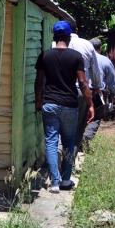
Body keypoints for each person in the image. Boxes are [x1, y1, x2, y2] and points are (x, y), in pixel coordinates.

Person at [35, 21, 94, 193]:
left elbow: (39, 82)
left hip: (49, 104)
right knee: (69, 142)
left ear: (54, 37)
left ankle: (54, 182)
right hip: (69, 105)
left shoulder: (45, 56)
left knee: (51, 142)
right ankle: (66, 179)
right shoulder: (76, 57)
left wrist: (38, 101)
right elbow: (83, 82)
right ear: (68, 38)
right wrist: (90, 104)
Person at [66, 28, 102, 150]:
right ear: (76, 30)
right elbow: (95, 71)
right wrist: (97, 87)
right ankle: (70, 161)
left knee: (62, 126)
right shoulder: (86, 44)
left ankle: (60, 154)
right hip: (81, 92)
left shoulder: (56, 44)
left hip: (60, 91)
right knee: (78, 128)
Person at [82, 38, 115, 144]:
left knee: (82, 116)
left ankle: (79, 139)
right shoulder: (105, 60)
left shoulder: (83, 57)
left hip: (81, 90)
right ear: (100, 48)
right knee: (96, 116)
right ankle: (86, 138)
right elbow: (112, 79)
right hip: (96, 93)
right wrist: (113, 93)